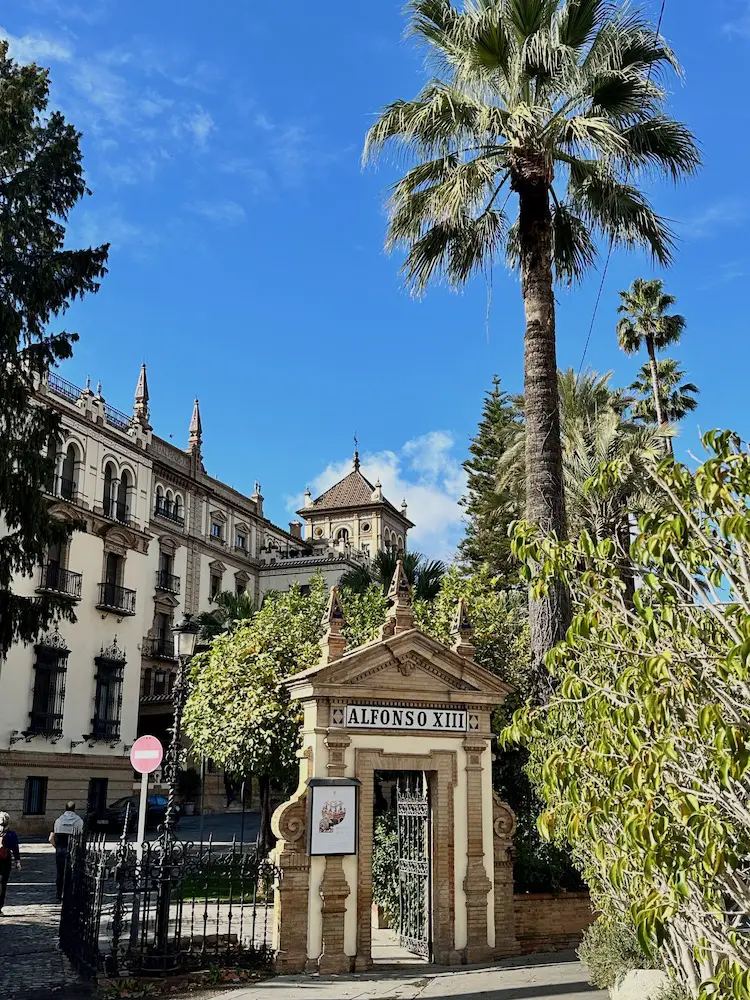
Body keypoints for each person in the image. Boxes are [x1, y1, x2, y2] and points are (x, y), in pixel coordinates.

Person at [49, 801, 83, 902]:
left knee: (60, 873)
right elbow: (81, 838)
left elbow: (51, 838)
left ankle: (59, 894)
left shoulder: (58, 821)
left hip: (60, 849)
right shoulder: (79, 821)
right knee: (72, 873)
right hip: (73, 850)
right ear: (74, 808)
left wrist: (57, 847)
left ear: (65, 808)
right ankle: (70, 893)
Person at [0, 813, 21, 915]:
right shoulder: (11, 834)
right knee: (2, 884)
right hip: (5, 861)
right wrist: (17, 861)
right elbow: (15, 849)